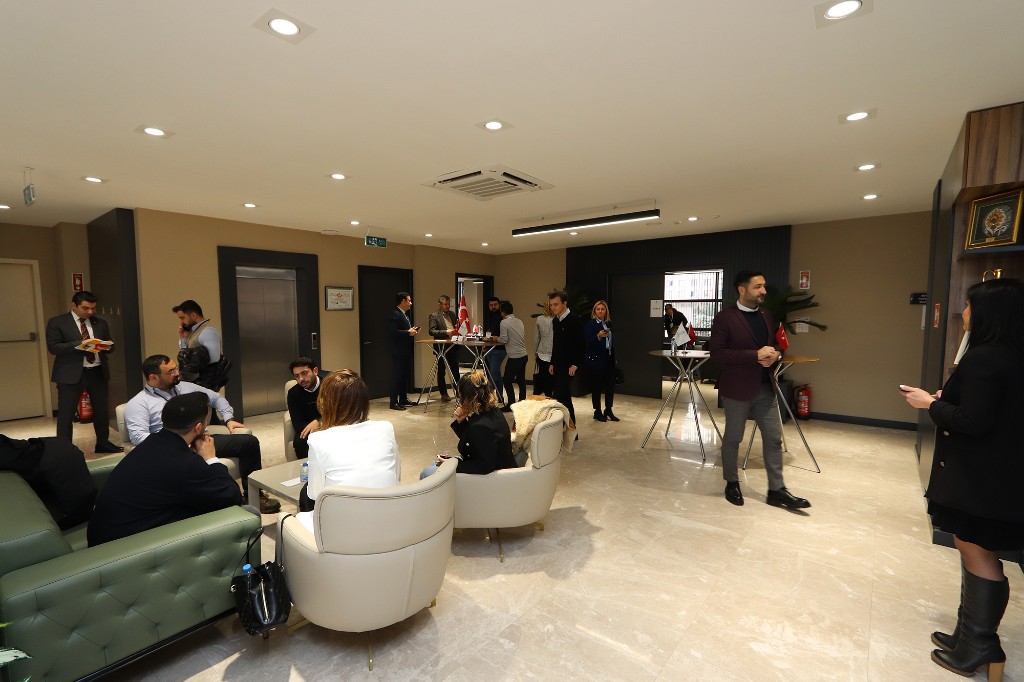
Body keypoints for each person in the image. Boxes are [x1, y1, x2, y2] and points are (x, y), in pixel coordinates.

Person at [901, 278, 1024, 679]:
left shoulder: (984, 357)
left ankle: (980, 644)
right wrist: (945, 399)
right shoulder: (1010, 354)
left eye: (969, 306)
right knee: (975, 549)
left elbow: (974, 421)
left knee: (977, 552)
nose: (964, 313)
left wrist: (929, 404)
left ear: (988, 313)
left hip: (981, 477)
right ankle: (968, 635)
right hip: (997, 473)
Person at [123, 354, 281, 513]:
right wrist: (176, 444)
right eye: (171, 371)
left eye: (175, 368)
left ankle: (253, 495)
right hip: (174, 450)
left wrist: (229, 419)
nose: (177, 373)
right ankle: (217, 503)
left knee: (248, 442)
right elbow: (138, 436)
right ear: (153, 377)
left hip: (202, 439)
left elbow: (217, 398)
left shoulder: (185, 387)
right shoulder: (139, 403)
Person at [709, 271, 809, 509]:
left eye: (763, 286)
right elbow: (718, 353)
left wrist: (776, 354)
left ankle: (777, 490)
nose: (763, 291)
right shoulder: (725, 318)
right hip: (737, 389)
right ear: (742, 289)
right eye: (758, 287)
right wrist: (754, 355)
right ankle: (731, 483)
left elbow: (775, 345)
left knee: (774, 439)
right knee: (733, 439)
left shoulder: (765, 314)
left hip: (765, 387)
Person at [87, 393, 243, 546]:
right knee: (246, 512)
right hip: (126, 548)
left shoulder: (150, 443)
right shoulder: (185, 462)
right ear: (198, 428)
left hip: (102, 536)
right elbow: (233, 496)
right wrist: (211, 458)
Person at [302, 370, 400, 514]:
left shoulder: (318, 439)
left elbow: (315, 494)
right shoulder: (386, 428)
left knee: (303, 497)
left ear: (325, 403)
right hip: (390, 513)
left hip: (345, 521)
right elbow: (396, 475)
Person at [45, 290, 122, 453]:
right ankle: (65, 449)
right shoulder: (57, 322)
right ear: (74, 305)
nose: (90, 312)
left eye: (93, 308)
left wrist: (106, 346)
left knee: (101, 411)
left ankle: (103, 443)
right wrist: (80, 344)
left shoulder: (100, 323)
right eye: (85, 308)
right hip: (70, 374)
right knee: (66, 414)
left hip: (97, 371)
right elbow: (53, 347)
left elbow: (111, 345)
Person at [421, 370, 518, 478]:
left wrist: (451, 466)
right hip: (499, 468)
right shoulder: (493, 411)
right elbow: (477, 442)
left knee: (427, 473)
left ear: (466, 397)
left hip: (494, 478)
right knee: (433, 467)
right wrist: (461, 422)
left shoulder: (480, 425)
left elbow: (484, 466)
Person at [547, 290, 583, 426]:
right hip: (558, 365)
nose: (553, 307)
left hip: (569, 366)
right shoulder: (555, 321)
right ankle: (568, 428)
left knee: (561, 396)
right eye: (551, 305)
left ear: (564, 303)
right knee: (564, 398)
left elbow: (582, 344)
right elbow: (556, 344)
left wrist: (575, 364)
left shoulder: (575, 321)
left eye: (556, 304)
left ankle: (569, 428)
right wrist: (552, 362)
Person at [172, 299, 224, 389]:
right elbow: (185, 354)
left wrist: (189, 364)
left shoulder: (208, 331)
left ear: (193, 315)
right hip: (194, 380)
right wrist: (184, 338)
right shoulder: (193, 331)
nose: (181, 322)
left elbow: (213, 358)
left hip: (205, 381)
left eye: (182, 318)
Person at [584, 300, 618, 422]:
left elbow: (612, 342)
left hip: (609, 357)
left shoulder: (609, 323)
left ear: (606, 311)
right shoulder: (591, 324)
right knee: (596, 386)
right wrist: (598, 336)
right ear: (595, 311)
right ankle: (597, 411)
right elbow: (587, 341)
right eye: (598, 309)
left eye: (602, 309)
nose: (600, 311)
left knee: (610, 386)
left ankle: (608, 409)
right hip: (596, 359)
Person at [389, 292, 419, 410]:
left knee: (404, 375)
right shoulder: (395, 314)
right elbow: (393, 332)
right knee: (398, 376)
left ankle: (403, 398)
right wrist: (408, 332)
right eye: (409, 301)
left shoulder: (404, 314)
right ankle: (393, 402)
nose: (411, 303)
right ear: (403, 301)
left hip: (405, 349)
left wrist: (412, 331)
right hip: (399, 350)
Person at [287, 357, 322, 459]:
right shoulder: (293, 393)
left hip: (330, 424)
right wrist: (315, 431)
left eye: (304, 373)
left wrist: (319, 422)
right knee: (300, 441)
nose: (301, 379)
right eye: (297, 376)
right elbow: (297, 423)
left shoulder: (330, 386)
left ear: (315, 371)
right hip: (308, 429)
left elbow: (339, 413)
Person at [427, 295, 459, 402]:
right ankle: (443, 393)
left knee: (455, 370)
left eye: (448, 304)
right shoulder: (434, 316)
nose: (447, 306)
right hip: (441, 347)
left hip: (452, 345)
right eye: (445, 304)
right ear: (440, 304)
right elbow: (432, 331)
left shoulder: (452, 314)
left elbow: (456, 327)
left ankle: (459, 391)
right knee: (441, 371)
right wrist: (446, 332)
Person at [496, 301, 528, 411]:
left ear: (503, 312)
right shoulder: (519, 321)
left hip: (515, 356)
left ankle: (510, 403)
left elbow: (504, 339)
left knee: (507, 380)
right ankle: (522, 402)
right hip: (524, 354)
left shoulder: (504, 323)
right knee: (521, 380)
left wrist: (495, 338)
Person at [484, 296, 507, 402]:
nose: (493, 307)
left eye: (495, 305)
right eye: (491, 305)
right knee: (496, 373)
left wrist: (492, 338)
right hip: (489, 348)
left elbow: (504, 336)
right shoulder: (489, 316)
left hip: (500, 349)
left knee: (492, 374)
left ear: (499, 304)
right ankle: (499, 396)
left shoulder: (503, 317)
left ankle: (488, 398)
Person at [533, 300, 554, 397]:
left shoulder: (539, 319)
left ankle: (546, 396)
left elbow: (536, 338)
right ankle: (552, 398)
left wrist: (535, 352)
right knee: (553, 379)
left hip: (541, 352)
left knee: (543, 377)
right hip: (554, 352)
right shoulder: (558, 319)